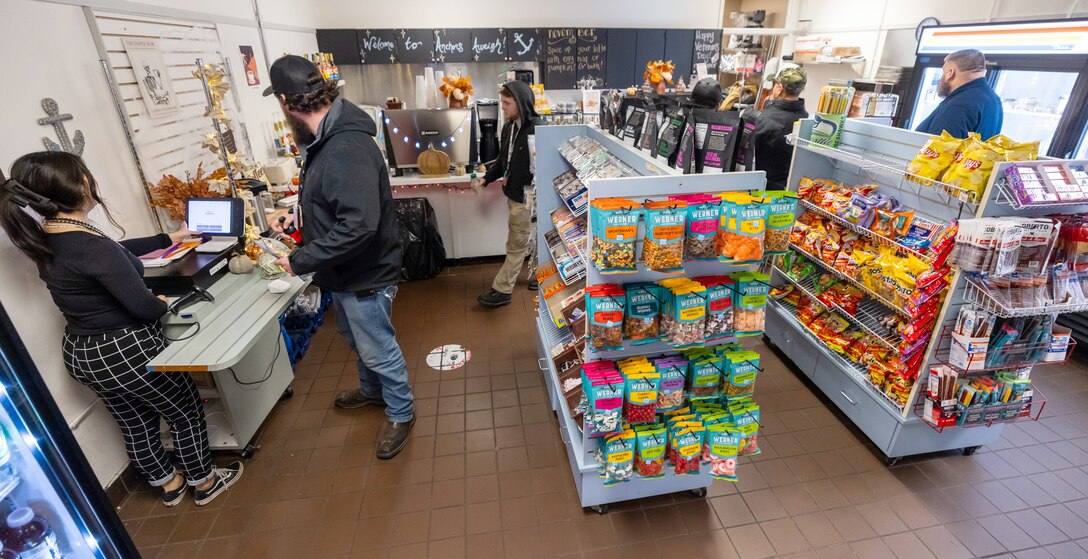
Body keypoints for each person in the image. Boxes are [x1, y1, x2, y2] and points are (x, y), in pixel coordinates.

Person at [0, 152, 242, 507]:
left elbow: (114, 252)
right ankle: (204, 483)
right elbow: (142, 305)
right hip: (125, 349)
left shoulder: (47, 235)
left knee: (135, 422)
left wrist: (169, 237)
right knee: (184, 409)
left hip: (83, 352)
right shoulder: (90, 244)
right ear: (80, 186)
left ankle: (170, 484)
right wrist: (160, 301)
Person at [265, 55, 415, 459]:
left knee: (377, 345)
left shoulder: (345, 146)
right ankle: (371, 391)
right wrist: (295, 216)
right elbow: (332, 202)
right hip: (344, 272)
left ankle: (401, 412)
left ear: (285, 101)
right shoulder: (327, 138)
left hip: (365, 273)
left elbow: (358, 226)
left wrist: (300, 259)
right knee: (357, 338)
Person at [475, 80, 544, 309]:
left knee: (516, 244)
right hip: (515, 194)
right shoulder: (508, 128)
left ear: (521, 102)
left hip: (529, 197)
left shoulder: (538, 129)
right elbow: (503, 160)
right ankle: (538, 276)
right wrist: (486, 179)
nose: (502, 107)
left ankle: (502, 289)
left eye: (506, 102)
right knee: (530, 239)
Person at [915, 49, 1003, 140]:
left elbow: (938, 150)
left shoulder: (960, 104)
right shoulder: (994, 100)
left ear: (950, 72)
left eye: (943, 72)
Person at [752, 66, 809, 189]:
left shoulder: (763, 119)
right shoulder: (807, 120)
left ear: (779, 88)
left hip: (762, 190)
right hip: (793, 190)